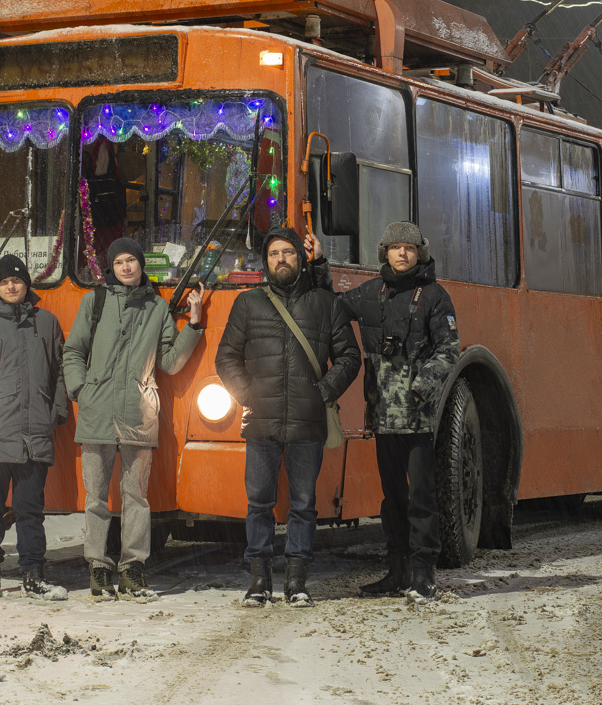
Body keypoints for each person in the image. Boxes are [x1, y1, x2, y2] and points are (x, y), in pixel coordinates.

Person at [307, 222, 459, 602]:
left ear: (419, 253)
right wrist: (320, 262)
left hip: (417, 417)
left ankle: (424, 575)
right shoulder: (372, 292)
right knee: (392, 498)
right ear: (385, 253)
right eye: (395, 248)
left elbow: (448, 350)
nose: (402, 254)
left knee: (421, 497)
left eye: (409, 248)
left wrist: (420, 390)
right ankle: (397, 570)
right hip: (382, 416)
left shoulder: (435, 297)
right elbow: (332, 305)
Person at [215, 226, 361, 608]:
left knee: (302, 504)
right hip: (260, 420)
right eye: (274, 254)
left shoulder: (324, 304)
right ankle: (258, 582)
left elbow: (349, 357)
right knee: (259, 503)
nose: (281, 259)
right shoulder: (248, 304)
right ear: (266, 261)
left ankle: (297, 582)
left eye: (288, 253)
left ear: (301, 258)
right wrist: (246, 393)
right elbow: (226, 357)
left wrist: (323, 393)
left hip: (306, 420)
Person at [63, 237, 206, 601]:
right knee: (95, 497)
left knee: (136, 497)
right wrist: (81, 390)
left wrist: (194, 323)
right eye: (119, 262)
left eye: (132, 261)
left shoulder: (157, 309)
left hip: (138, 415)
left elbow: (171, 361)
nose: (126, 267)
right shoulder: (93, 302)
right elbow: (73, 351)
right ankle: (98, 566)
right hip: (96, 413)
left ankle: (132, 568)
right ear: (111, 268)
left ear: (142, 265)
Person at [0, 254, 69, 599]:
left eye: (17, 281)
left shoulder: (47, 324)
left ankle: (34, 572)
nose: (12, 286)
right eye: (5, 282)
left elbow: (61, 371)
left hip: (35, 434)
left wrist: (56, 411)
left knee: (31, 509)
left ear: (26, 285)